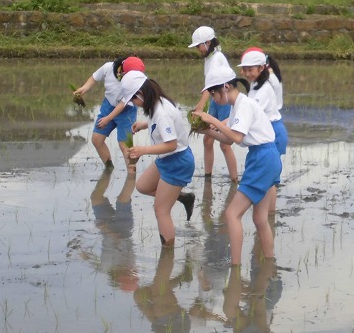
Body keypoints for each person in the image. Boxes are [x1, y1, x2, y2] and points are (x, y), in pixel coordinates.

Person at [192, 64, 281, 266]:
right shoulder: (237, 106)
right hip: (266, 157)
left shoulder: (243, 105)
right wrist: (206, 131)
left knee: (232, 214)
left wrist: (212, 118)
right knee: (260, 219)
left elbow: (237, 136)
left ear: (225, 87)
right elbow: (229, 140)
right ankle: (269, 262)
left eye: (213, 95)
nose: (214, 99)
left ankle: (235, 267)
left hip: (262, 159)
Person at [120, 70, 196, 246]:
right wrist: (144, 124)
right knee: (142, 186)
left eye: (133, 99)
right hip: (167, 159)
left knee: (161, 210)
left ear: (140, 93)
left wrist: (142, 150)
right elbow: (161, 123)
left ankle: (167, 254)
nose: (134, 103)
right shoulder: (157, 103)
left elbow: (171, 144)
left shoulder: (161, 112)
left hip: (177, 161)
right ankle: (184, 197)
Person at [238, 48, 288, 214]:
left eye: (250, 69)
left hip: (273, 130)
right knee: (269, 180)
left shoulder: (265, 87)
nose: (247, 73)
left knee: (270, 180)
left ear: (261, 68)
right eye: (244, 70)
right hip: (268, 128)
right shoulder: (256, 84)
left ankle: (270, 215)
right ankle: (268, 216)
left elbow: (250, 112)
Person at [74, 56, 145, 169]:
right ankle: (109, 168)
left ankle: (131, 175)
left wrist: (108, 119)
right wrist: (84, 88)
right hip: (108, 106)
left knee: (124, 145)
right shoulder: (108, 67)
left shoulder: (135, 82)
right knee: (96, 139)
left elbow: (123, 103)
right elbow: (94, 77)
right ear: (122, 68)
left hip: (127, 111)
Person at [189, 26, 238, 182]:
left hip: (223, 100)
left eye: (198, 46)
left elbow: (213, 85)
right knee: (208, 139)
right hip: (215, 100)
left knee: (225, 143)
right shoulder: (209, 58)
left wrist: (199, 107)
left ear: (208, 43)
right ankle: (208, 177)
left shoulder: (217, 58)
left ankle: (235, 180)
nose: (198, 49)